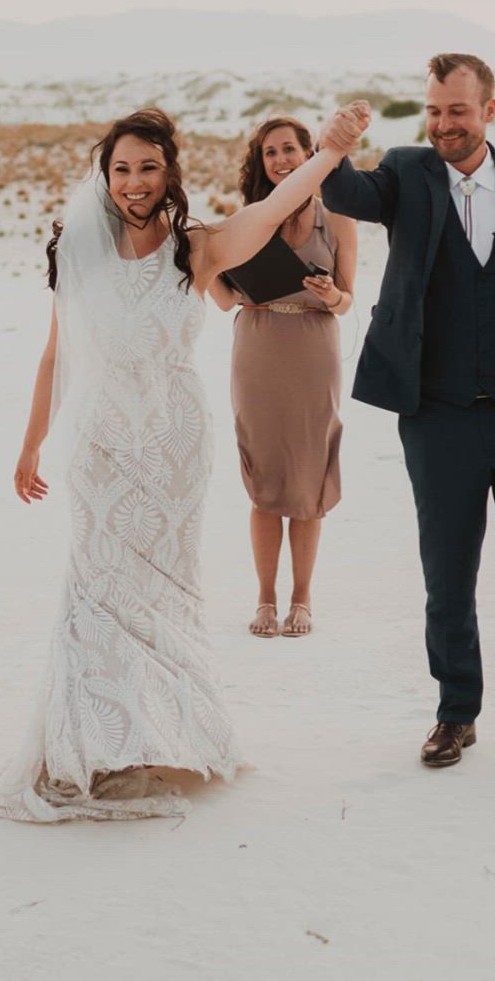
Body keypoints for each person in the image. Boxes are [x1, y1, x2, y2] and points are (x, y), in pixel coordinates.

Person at [0, 104, 368, 823]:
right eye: (121, 168)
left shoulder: (198, 249)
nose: (133, 182)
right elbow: (56, 353)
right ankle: (98, 740)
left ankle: (156, 735)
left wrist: (333, 152)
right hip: (98, 444)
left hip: (173, 448)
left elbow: (276, 204)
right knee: (96, 592)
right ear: (105, 175)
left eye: (148, 168)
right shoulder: (77, 248)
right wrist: (31, 443)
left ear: (169, 176)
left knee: (161, 597)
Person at [320, 55, 495, 776]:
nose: (444, 124)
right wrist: (333, 143)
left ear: (489, 110)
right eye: (435, 110)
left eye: (458, 111)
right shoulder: (406, 174)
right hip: (437, 419)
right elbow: (344, 193)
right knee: (447, 576)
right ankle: (455, 713)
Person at [210, 117, 358, 639]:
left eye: (290, 149)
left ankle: (303, 599)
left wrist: (329, 296)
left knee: (309, 476)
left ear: (308, 153)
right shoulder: (249, 219)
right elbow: (226, 297)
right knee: (266, 475)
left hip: (314, 347)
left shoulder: (336, 216)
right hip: (257, 347)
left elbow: (347, 300)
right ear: (260, 162)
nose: (281, 160)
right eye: (270, 152)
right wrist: (204, 264)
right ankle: (265, 599)